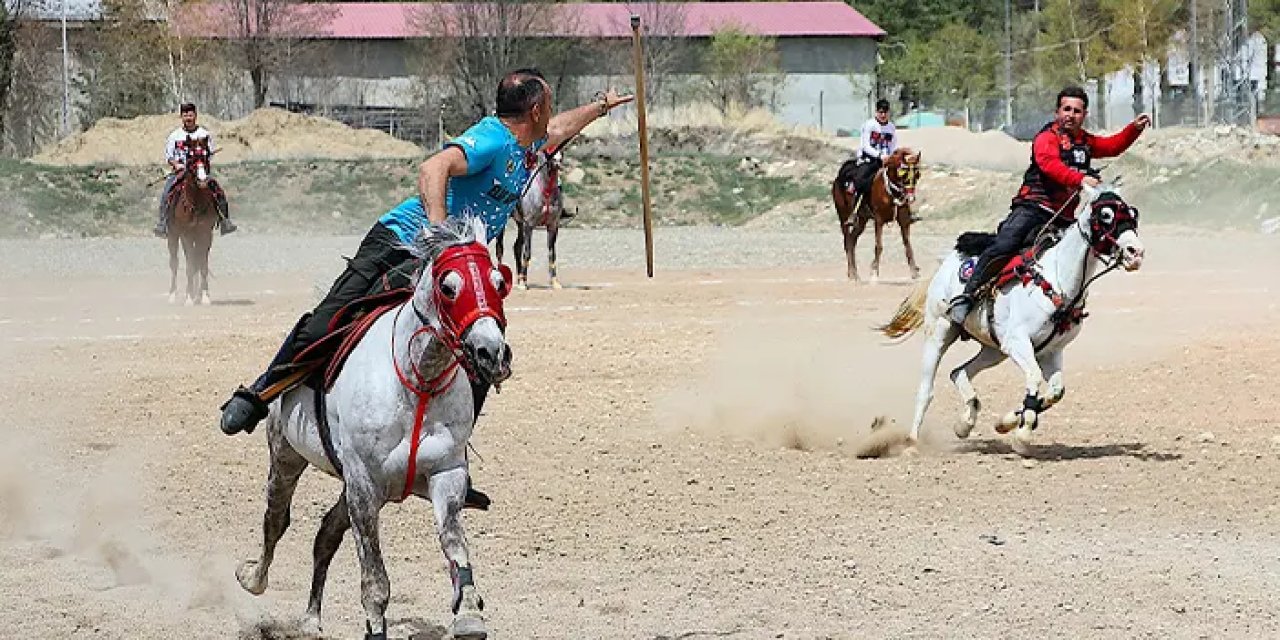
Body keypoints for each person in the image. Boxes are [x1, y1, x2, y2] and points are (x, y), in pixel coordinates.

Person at [218, 69, 632, 502]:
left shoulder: (530, 145)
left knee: (482, 346)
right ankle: (259, 392)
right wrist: (440, 238)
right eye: (550, 102)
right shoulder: (492, 138)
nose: (554, 112)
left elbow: (562, 127)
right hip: (400, 243)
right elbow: (433, 167)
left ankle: (453, 463)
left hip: (457, 266)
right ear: (534, 109)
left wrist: (601, 108)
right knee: (331, 319)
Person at [946, 86, 1150, 325]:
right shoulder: (1046, 138)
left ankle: (1066, 308)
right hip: (1032, 208)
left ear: (1084, 115)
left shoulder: (1084, 141)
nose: (1070, 115)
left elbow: (1111, 146)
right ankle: (966, 297)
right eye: (1066, 109)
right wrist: (1080, 179)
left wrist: (1133, 130)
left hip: (1063, 216)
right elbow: (1050, 165)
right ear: (1057, 111)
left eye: (1076, 111)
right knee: (1005, 245)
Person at [154, 102, 237, 237]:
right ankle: (162, 223)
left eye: (191, 115)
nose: (188, 118)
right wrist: (177, 164)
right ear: (181, 117)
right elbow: (169, 156)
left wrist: (202, 167)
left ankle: (225, 220)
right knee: (166, 193)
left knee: (218, 191)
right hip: (180, 172)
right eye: (185, 115)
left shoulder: (204, 134)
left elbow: (209, 154)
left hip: (200, 172)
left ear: (195, 116)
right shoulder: (174, 136)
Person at [850, 98, 898, 197]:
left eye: (886, 112)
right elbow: (866, 146)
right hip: (869, 159)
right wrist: (880, 156)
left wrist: (891, 157)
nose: (883, 115)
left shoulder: (891, 127)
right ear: (876, 112)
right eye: (881, 112)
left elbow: (893, 146)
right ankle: (856, 205)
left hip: (886, 160)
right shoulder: (869, 125)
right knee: (860, 180)